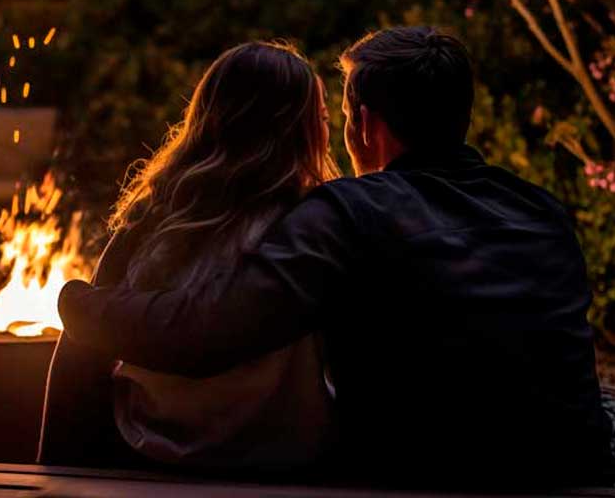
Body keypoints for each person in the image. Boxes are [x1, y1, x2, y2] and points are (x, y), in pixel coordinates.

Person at [58, 27, 614, 486]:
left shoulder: (351, 213)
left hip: (428, 477)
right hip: (573, 466)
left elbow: (203, 333)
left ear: (364, 124)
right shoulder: (543, 212)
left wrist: (78, 304)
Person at [39, 41, 340, 471]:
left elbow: (84, 342)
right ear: (302, 132)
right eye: (323, 121)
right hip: (283, 456)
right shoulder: (316, 222)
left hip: (149, 448)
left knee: (81, 338)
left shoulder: (157, 215)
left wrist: (73, 301)